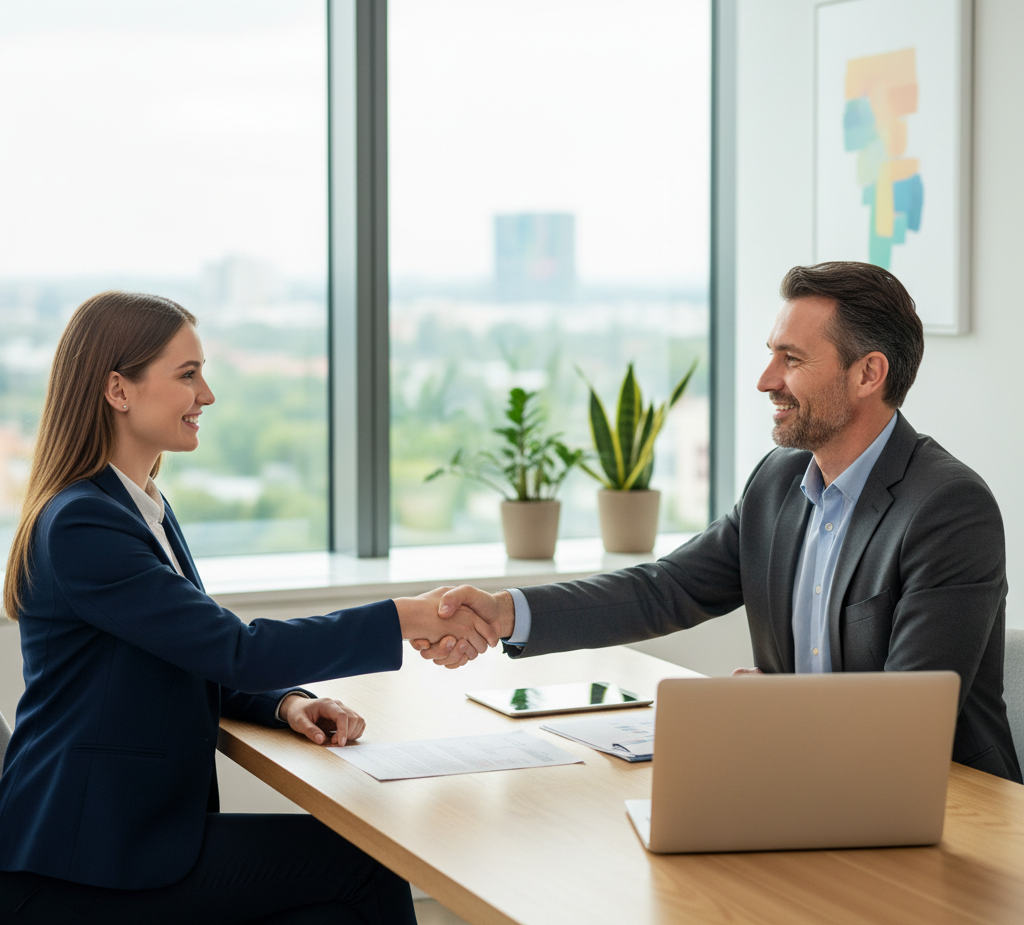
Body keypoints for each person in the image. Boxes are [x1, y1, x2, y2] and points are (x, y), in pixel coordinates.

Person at [414, 262, 1022, 783]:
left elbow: (908, 720)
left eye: (792, 359)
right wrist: (503, 614)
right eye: (771, 356)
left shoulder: (947, 509)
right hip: (806, 785)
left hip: (947, 808)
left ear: (868, 374)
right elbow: (667, 589)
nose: (766, 381)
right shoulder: (780, 481)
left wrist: (777, 709)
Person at [0, 291, 498, 923]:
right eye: (188, 375)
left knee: (335, 900)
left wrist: (286, 702)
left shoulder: (137, 507)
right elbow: (240, 649)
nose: (206, 395)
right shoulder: (84, 525)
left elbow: (192, 655)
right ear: (118, 389)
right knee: (365, 866)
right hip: (79, 861)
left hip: (125, 839)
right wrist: (407, 617)